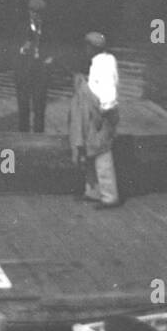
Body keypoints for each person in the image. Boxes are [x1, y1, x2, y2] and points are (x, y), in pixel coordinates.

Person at [67, 30, 121, 208]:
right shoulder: (99, 62)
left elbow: (108, 91)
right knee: (90, 150)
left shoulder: (105, 64)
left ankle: (109, 196)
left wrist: (104, 113)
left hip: (101, 114)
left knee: (101, 153)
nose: (85, 50)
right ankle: (93, 191)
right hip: (93, 112)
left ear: (92, 48)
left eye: (87, 46)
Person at [13, 0, 53, 133]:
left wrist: (50, 58)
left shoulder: (48, 29)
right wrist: (22, 48)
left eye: (39, 12)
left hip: (41, 74)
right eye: (33, 12)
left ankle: (38, 140)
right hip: (23, 73)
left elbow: (54, 49)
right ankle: (22, 139)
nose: (36, 15)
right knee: (23, 109)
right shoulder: (20, 28)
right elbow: (11, 50)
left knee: (39, 109)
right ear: (29, 12)